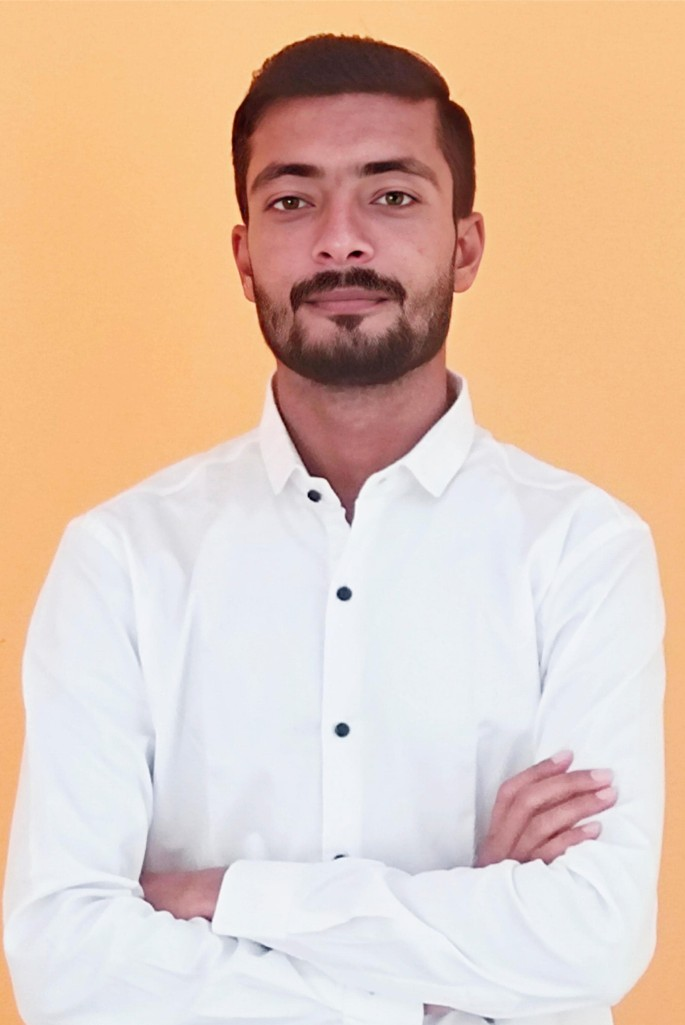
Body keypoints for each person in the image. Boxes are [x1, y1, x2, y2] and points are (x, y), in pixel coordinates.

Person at [3, 34, 665, 1025]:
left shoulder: (582, 549)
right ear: (243, 256)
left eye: (391, 196)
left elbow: (593, 935)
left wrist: (228, 896)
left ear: (465, 246)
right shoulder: (122, 559)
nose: (339, 241)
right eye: (291, 201)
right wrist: (451, 970)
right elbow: (65, 964)